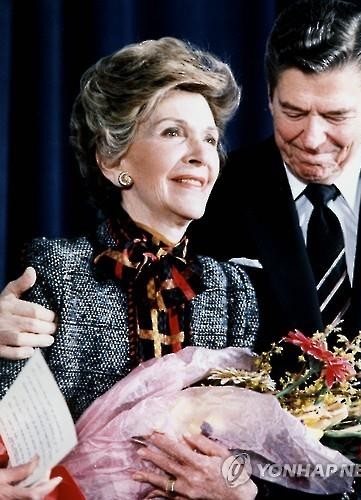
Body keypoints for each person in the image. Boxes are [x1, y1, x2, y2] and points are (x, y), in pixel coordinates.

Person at [0, 37, 259, 499]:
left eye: (210, 138)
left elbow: (249, 455)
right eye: (173, 132)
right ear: (112, 158)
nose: (201, 154)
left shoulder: (234, 289)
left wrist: (240, 489)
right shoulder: (56, 272)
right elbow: (13, 439)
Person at [189, 0, 361, 498]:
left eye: (335, 115)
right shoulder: (208, 196)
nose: (311, 138)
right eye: (293, 112)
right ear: (269, 97)